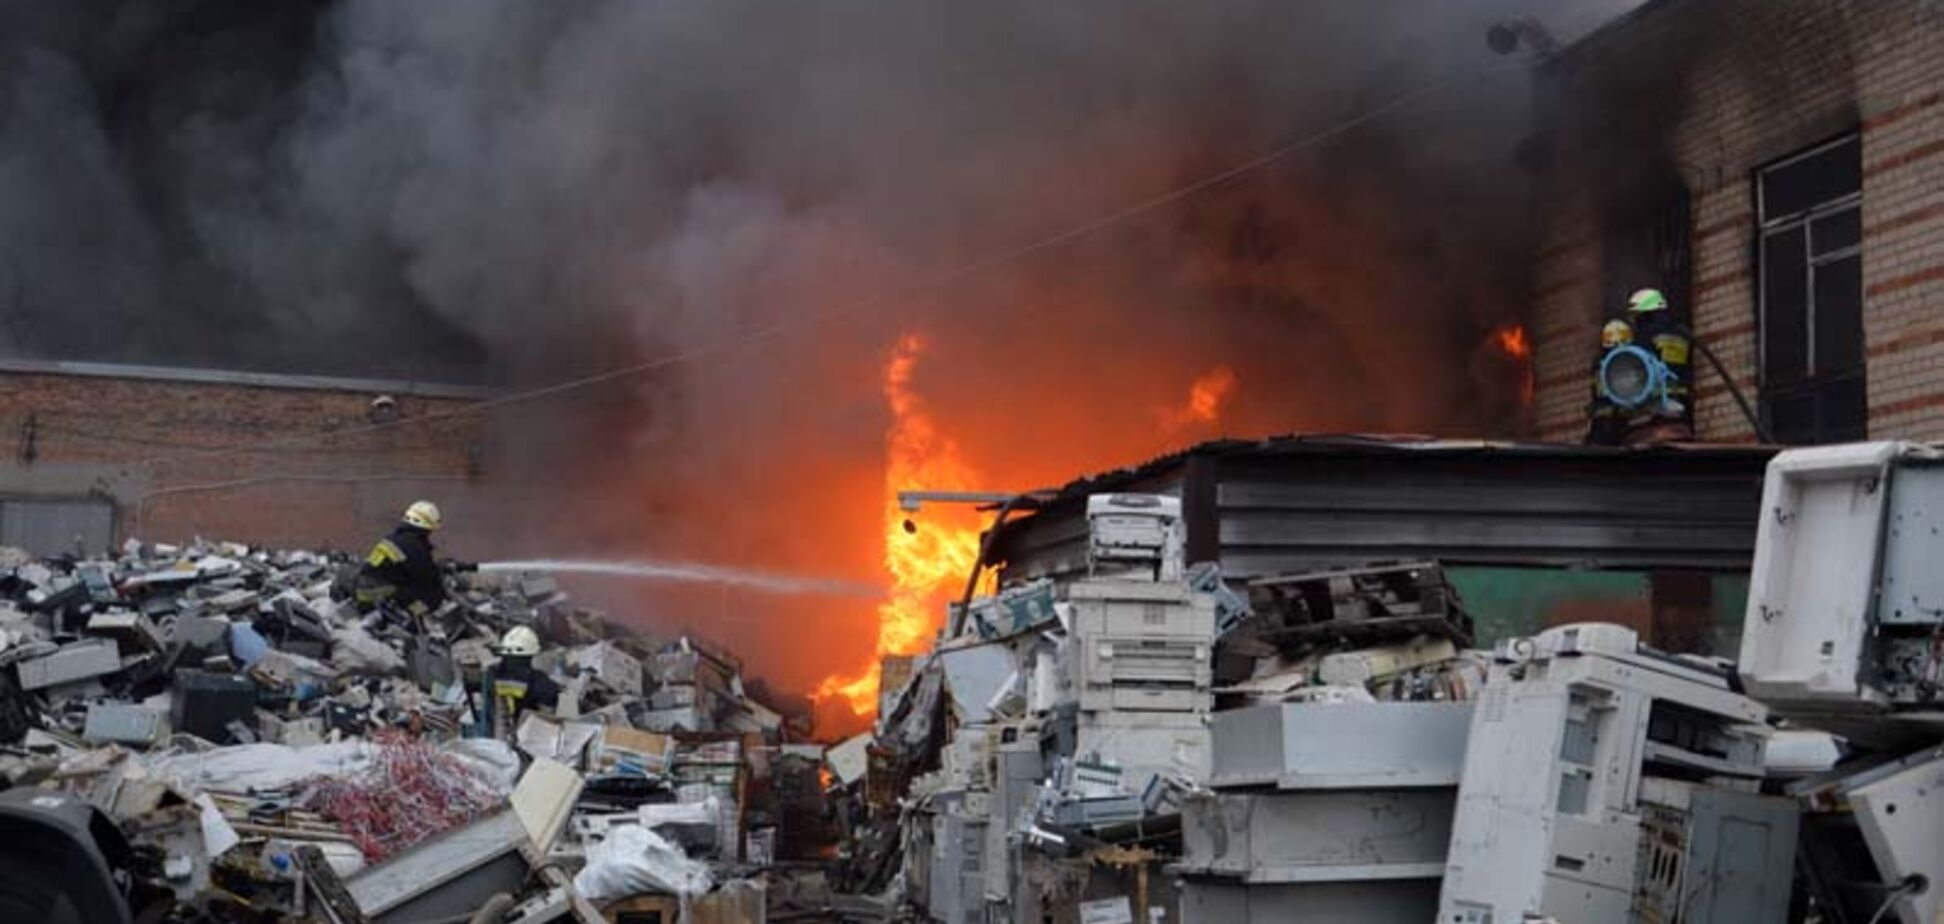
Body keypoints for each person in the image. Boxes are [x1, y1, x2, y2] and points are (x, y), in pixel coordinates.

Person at [1585, 288, 1694, 446]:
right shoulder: (1681, 334)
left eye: (1636, 314)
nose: (1635, 319)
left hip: (1652, 410)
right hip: (1681, 405)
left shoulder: (1642, 339)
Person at [354, 501, 448, 616]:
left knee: (412, 587)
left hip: (363, 590)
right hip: (378, 593)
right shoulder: (413, 545)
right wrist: (442, 576)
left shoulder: (394, 537)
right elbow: (427, 578)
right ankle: (412, 617)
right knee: (434, 593)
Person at [479, 625, 561, 738]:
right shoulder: (535, 679)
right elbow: (554, 698)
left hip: (490, 740)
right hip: (522, 740)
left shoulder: (491, 674)